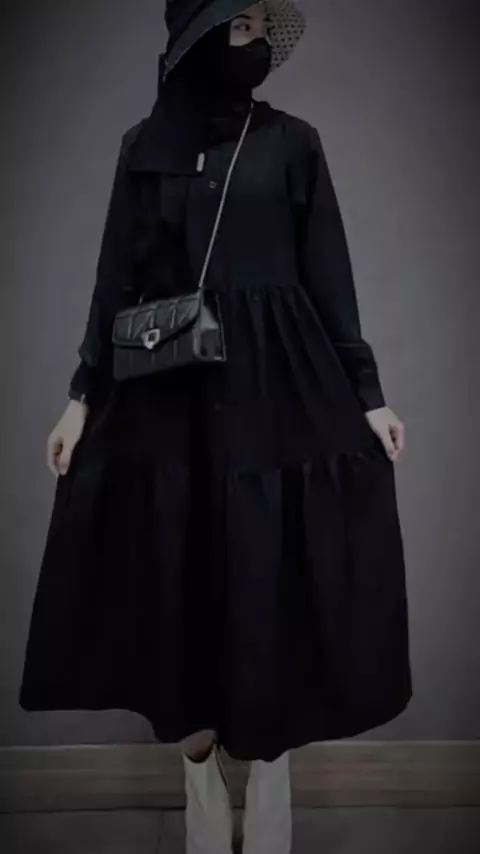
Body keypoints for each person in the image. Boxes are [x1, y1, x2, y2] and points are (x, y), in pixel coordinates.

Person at [19, 2, 413, 852]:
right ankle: (200, 785)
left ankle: (268, 791)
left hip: (278, 398)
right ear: (195, 41)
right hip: (170, 406)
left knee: (266, 584)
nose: (257, 43)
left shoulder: (294, 144)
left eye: (262, 27)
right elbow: (115, 282)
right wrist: (81, 395)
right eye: (240, 27)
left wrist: (368, 394)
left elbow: (330, 276)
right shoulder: (142, 149)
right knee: (180, 589)